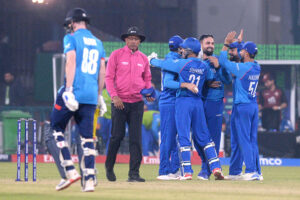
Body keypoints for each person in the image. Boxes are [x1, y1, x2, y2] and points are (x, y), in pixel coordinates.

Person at [149, 37, 224, 180]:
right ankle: (216, 167)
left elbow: (163, 64)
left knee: (183, 136)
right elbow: (209, 78)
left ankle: (187, 172)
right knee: (205, 137)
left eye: (183, 49)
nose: (181, 51)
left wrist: (151, 60)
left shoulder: (182, 63)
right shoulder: (204, 65)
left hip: (183, 102)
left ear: (188, 51)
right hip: (198, 103)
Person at [49, 8, 106, 192]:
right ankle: (89, 180)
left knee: (56, 127)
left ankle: (70, 170)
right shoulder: (98, 42)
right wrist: (99, 95)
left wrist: (69, 89)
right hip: (91, 94)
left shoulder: (71, 38)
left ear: (73, 22)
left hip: (75, 90)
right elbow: (102, 70)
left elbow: (71, 61)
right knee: (87, 139)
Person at [105, 26, 153, 182]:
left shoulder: (144, 59)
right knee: (116, 137)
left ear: (139, 41)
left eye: (136, 39)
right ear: (125, 40)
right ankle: (109, 167)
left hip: (137, 103)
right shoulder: (116, 55)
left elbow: (147, 80)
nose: (133, 41)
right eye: (131, 38)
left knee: (136, 139)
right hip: (119, 103)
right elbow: (108, 78)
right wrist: (114, 96)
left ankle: (134, 174)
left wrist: (149, 93)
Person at [213, 31, 262, 181]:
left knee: (244, 139)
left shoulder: (242, 69)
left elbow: (223, 61)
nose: (239, 52)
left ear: (246, 53)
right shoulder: (256, 66)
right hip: (252, 106)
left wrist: (226, 44)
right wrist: (239, 44)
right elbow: (241, 57)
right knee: (249, 139)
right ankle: (240, 171)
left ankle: (252, 170)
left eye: (241, 50)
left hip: (243, 106)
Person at [157, 35, 196, 180]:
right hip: (169, 102)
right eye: (184, 48)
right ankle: (164, 171)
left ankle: (174, 170)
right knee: (168, 138)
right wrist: (184, 85)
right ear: (180, 49)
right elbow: (167, 83)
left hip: (176, 102)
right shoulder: (172, 60)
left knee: (175, 138)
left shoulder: (174, 60)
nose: (185, 50)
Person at [196, 34, 232, 180]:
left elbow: (228, 80)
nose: (210, 45)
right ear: (201, 45)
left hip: (214, 103)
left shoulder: (219, 60)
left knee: (213, 137)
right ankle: (210, 165)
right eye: (207, 43)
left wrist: (218, 66)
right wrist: (206, 82)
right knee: (197, 137)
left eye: (212, 42)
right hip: (198, 102)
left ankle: (207, 169)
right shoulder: (195, 61)